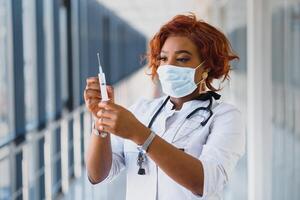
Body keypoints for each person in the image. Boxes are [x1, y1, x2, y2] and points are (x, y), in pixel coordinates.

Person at [84, 13, 245, 200]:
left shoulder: (226, 117)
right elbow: (98, 175)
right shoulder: (142, 109)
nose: (169, 67)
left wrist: (140, 134)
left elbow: (205, 182)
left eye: (182, 59)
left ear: (206, 67)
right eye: (163, 58)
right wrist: (100, 124)